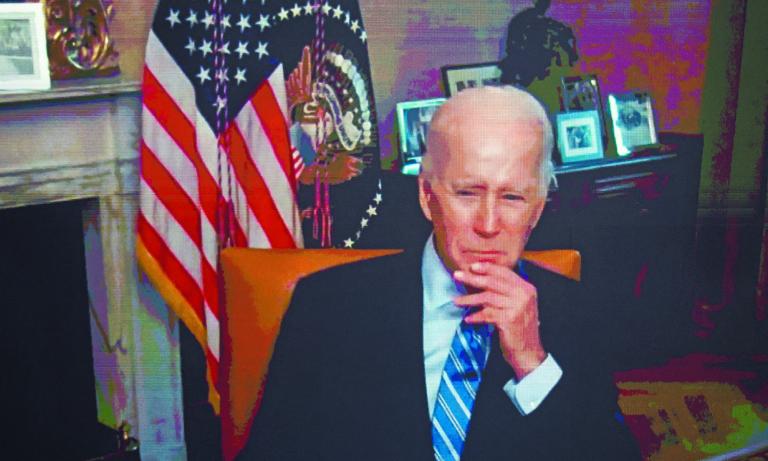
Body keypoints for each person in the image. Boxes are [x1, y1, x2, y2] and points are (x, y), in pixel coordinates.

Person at [237, 86, 639, 460]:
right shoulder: (327, 303)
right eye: (468, 193)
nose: (488, 223)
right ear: (427, 196)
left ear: (536, 211)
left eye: (512, 197)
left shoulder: (578, 311)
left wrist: (533, 364)